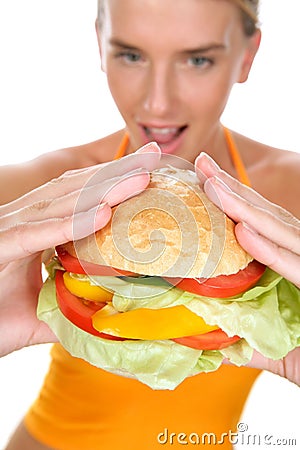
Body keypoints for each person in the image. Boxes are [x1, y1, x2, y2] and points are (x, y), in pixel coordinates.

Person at [0, 0, 299, 448]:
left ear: (247, 54)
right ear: (100, 45)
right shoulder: (33, 193)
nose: (157, 102)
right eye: (131, 55)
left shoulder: (291, 201)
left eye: (198, 59)